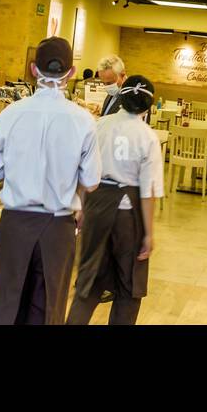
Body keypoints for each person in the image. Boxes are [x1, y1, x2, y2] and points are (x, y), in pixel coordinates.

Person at [0, 37, 101, 325]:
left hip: (14, 222)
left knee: (3, 306)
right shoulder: (83, 121)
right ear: (71, 73)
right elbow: (92, 181)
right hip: (58, 226)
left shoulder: (10, 114)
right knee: (47, 310)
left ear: (34, 70)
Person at [67, 74, 162, 325]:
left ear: (120, 97)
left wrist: (80, 205)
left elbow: (82, 169)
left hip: (96, 203)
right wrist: (149, 234)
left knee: (88, 282)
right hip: (127, 212)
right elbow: (148, 191)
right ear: (148, 106)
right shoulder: (148, 136)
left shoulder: (99, 125)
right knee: (129, 285)